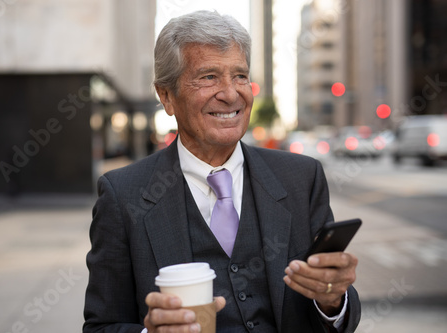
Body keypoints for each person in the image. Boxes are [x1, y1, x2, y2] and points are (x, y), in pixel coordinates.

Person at [83, 10, 360, 333]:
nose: (230, 94)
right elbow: (101, 326)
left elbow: (337, 313)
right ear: (167, 96)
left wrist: (332, 299)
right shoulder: (122, 195)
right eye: (208, 77)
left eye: (240, 76)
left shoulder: (302, 177)